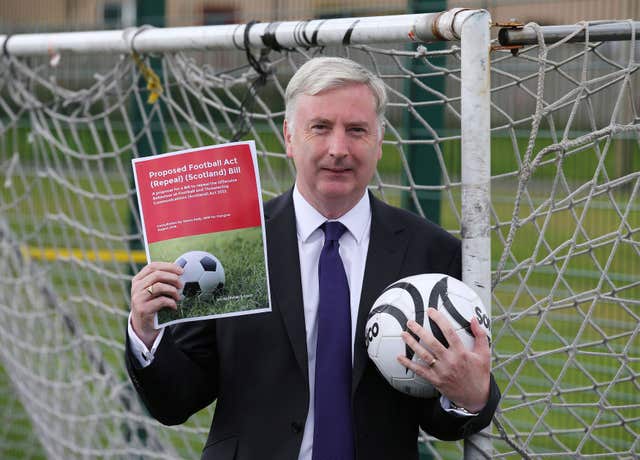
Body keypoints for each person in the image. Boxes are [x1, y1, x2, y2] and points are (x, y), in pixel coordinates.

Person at [126, 56, 500, 460]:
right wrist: (145, 331)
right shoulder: (231, 245)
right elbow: (176, 401)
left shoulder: (432, 252)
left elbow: (438, 419)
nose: (338, 149)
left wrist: (470, 394)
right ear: (289, 137)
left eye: (356, 130)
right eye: (319, 128)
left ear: (380, 140)